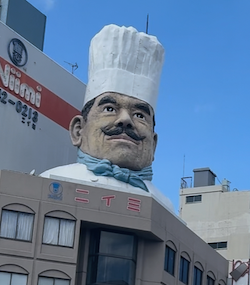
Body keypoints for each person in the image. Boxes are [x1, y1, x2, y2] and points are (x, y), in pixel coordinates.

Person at [39, 24, 174, 213]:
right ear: (78, 130)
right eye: (110, 108)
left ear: (153, 145)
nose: (125, 120)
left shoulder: (163, 207)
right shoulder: (50, 182)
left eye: (139, 115)